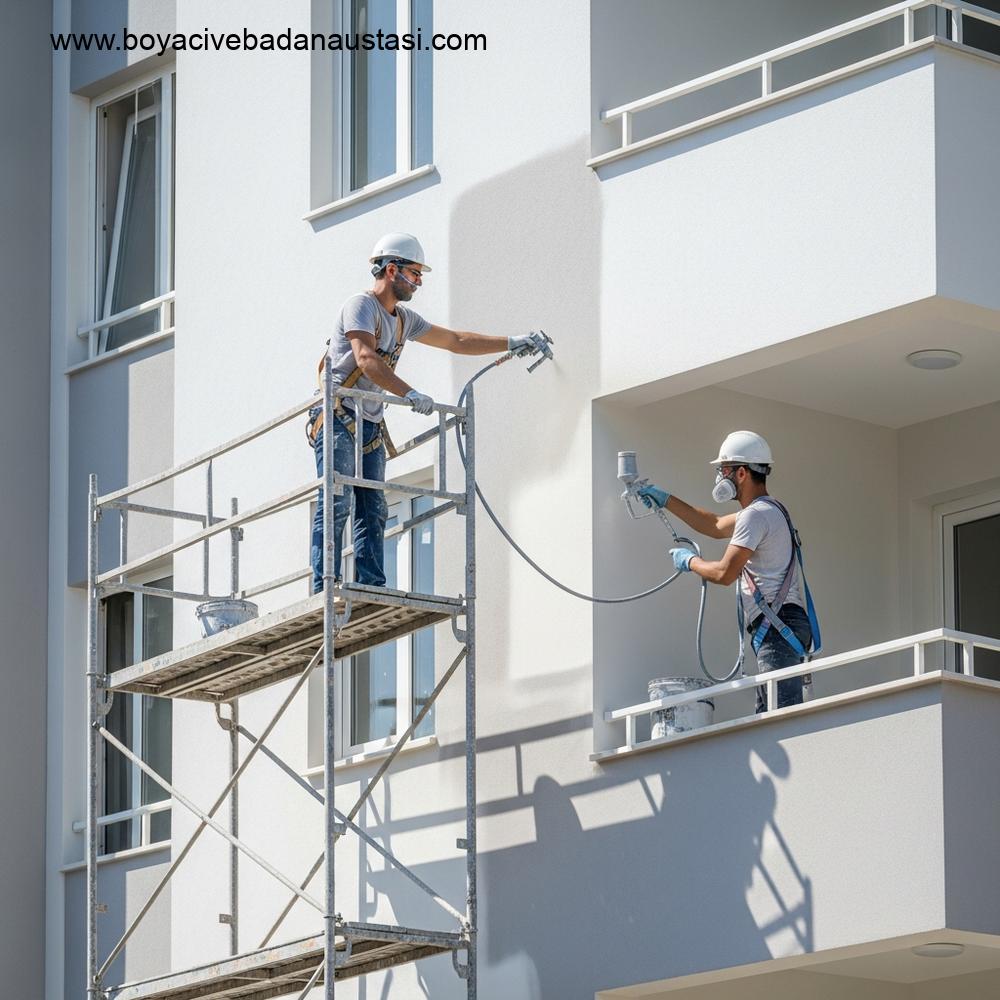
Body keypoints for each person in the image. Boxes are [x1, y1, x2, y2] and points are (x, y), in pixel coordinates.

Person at [308, 232, 546, 594]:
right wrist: (410, 392)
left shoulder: (403, 319)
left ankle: (371, 585)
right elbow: (366, 359)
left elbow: (456, 340)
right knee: (337, 500)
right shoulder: (361, 306)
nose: (419, 283)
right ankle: (325, 585)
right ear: (392, 270)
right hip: (339, 417)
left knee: (373, 507)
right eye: (415, 274)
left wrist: (511, 342)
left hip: (368, 423)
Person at [637, 431, 819, 713]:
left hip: (778, 625)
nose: (721, 477)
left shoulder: (755, 515)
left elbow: (724, 573)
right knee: (770, 712)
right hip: (784, 623)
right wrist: (666, 500)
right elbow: (715, 524)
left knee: (780, 717)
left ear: (742, 473)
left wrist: (691, 562)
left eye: (724, 470)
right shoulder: (769, 510)